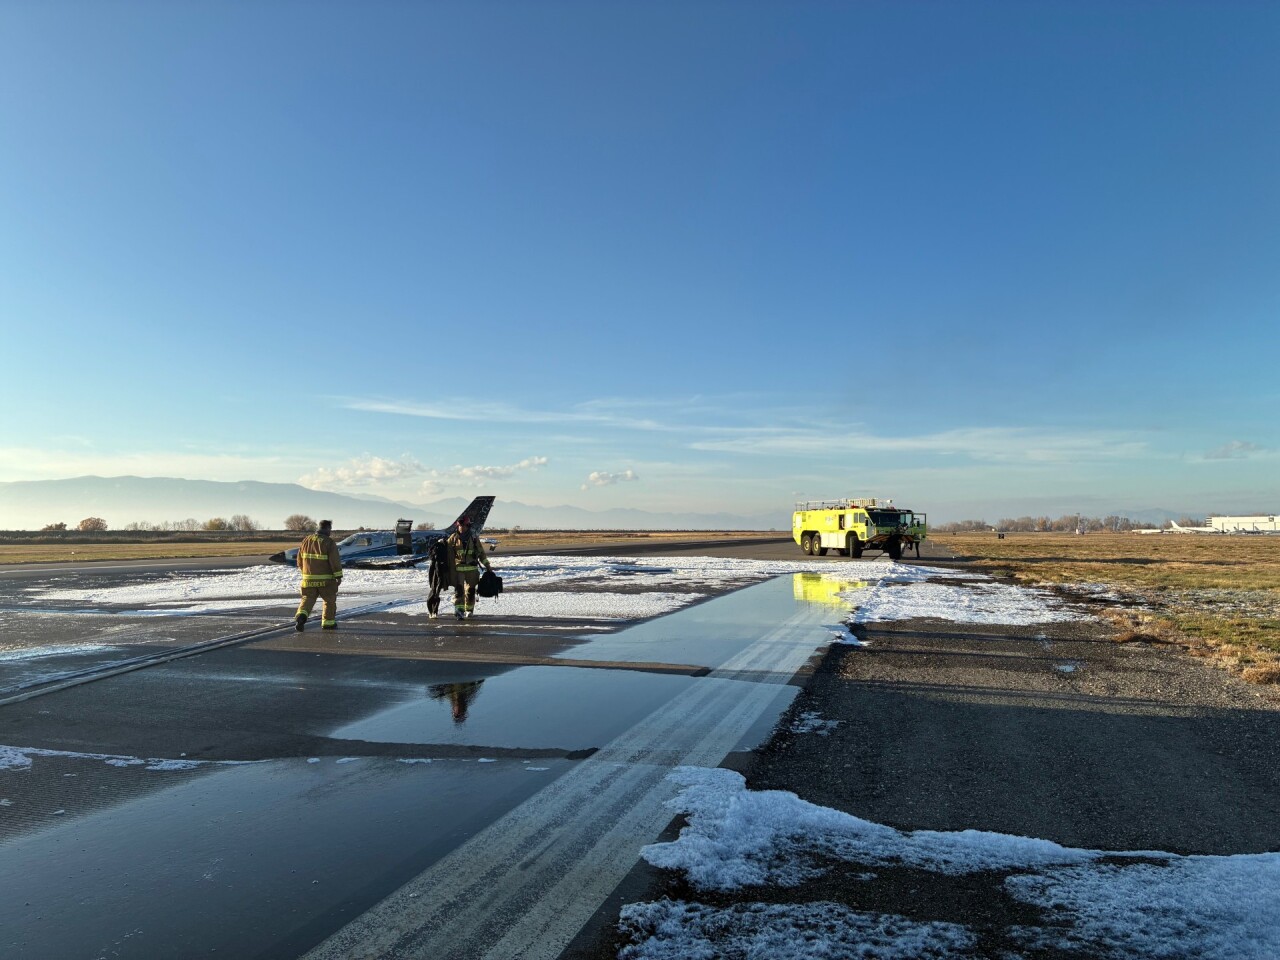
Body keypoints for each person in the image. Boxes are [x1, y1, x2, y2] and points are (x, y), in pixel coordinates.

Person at [295, 519, 342, 631]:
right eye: (330, 529)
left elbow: (299, 560)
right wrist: (338, 576)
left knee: (307, 599)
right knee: (329, 600)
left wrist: (305, 572)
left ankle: (301, 616)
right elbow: (334, 561)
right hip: (325, 580)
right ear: (327, 528)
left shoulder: (306, 540)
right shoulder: (329, 542)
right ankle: (328, 623)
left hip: (308, 579)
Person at [445, 514, 492, 620]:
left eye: (463, 525)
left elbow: (481, 554)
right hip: (458, 570)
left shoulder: (474, 538)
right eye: (459, 525)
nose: (461, 527)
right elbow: (447, 552)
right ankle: (459, 611)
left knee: (470, 591)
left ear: (467, 526)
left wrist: (488, 566)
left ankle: (469, 610)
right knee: (459, 591)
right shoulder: (453, 538)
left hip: (472, 570)